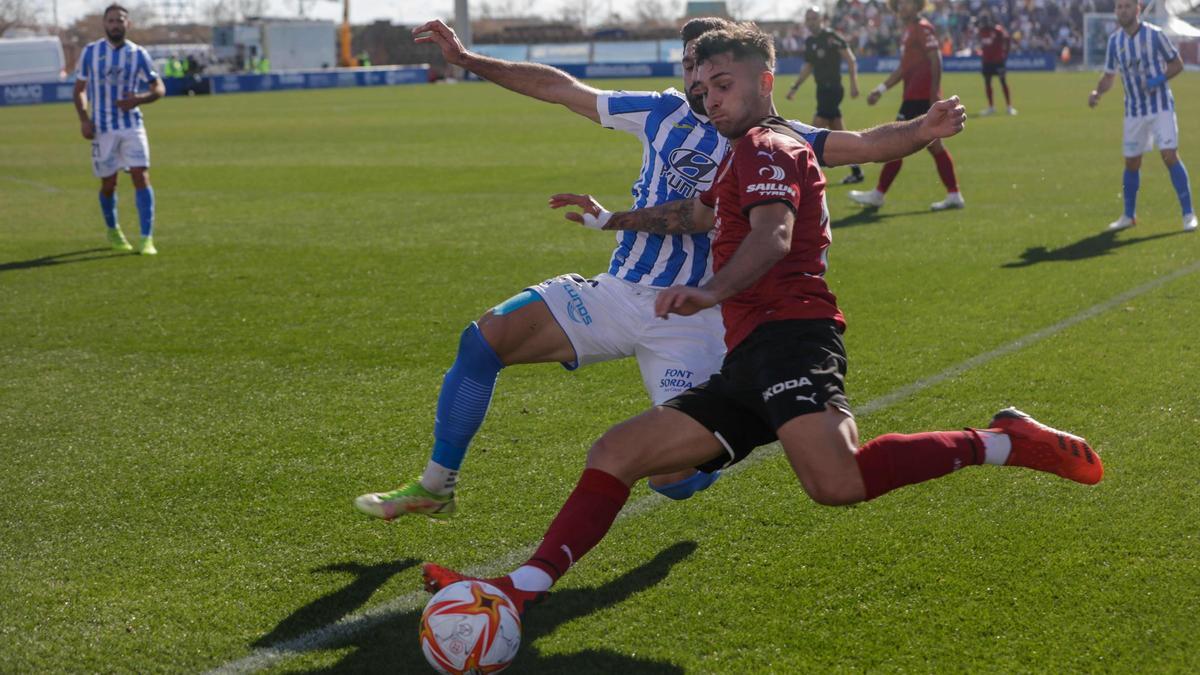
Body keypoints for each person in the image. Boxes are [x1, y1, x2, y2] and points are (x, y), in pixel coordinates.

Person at [420, 24, 1101, 622]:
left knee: (836, 483)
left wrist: (704, 289)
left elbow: (772, 237)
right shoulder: (741, 152)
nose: (709, 97)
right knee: (616, 452)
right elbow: (696, 216)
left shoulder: (769, 146)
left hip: (792, 337)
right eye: (702, 86)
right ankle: (518, 589)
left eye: (723, 84)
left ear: (764, 81)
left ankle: (1001, 440)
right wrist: (614, 220)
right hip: (748, 351)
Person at [353, 17, 970, 521]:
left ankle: (728, 440)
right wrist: (470, 59)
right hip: (619, 294)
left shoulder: (775, 137)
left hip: (694, 316)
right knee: (484, 339)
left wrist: (923, 127)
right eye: (690, 69)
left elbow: (864, 144)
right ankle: (436, 485)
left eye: (709, 72)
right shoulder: (657, 112)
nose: (699, 85)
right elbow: (559, 88)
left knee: (671, 482)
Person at [1089, 0, 1195, 233]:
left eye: (1127, 6)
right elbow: (1109, 75)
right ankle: (1128, 215)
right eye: (1119, 7)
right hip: (1134, 111)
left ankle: (1188, 214)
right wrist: (1098, 92)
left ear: (1137, 10)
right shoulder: (1114, 41)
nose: (1122, 10)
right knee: (1132, 162)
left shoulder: (1155, 35)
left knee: (1169, 155)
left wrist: (1157, 80)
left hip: (1161, 107)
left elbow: (1177, 64)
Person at [849, 0, 964, 212]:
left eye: (908, 2)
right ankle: (954, 194)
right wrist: (881, 89)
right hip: (912, 96)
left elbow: (936, 59)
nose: (903, 6)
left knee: (896, 144)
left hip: (920, 99)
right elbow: (904, 68)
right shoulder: (909, 30)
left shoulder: (922, 27)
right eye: (900, 3)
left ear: (918, 5)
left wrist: (934, 96)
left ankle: (879, 194)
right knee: (932, 146)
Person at [72, 4, 163, 255]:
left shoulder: (138, 54)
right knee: (109, 183)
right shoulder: (90, 52)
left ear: (128, 24)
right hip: (103, 128)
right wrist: (84, 119)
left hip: (132, 125)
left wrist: (138, 99)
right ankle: (113, 230)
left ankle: (147, 238)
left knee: (140, 175)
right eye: (111, 20)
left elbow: (158, 88)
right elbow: (79, 89)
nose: (115, 24)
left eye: (120, 20)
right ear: (105, 24)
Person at [785, 6, 864, 184]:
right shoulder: (810, 42)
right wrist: (795, 87)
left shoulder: (831, 37)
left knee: (814, 128)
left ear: (821, 19)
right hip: (821, 90)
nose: (811, 22)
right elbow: (808, 67)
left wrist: (854, 84)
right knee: (840, 131)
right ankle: (856, 170)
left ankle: (805, 172)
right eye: (809, 19)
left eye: (814, 18)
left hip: (833, 90)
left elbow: (850, 59)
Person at [977, 11, 1016, 116]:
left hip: (998, 61)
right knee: (987, 83)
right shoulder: (981, 31)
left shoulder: (997, 30)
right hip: (987, 62)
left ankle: (1009, 107)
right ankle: (991, 107)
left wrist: (1005, 53)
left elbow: (1007, 39)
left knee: (1003, 82)